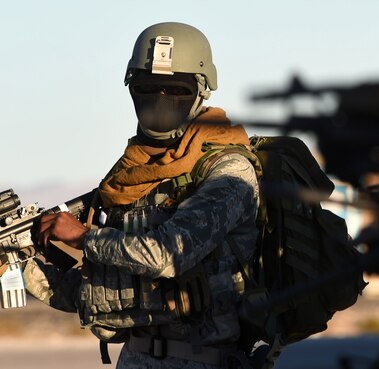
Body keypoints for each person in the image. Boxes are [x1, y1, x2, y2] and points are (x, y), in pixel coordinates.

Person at [22, 22, 260, 369]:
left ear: (200, 91)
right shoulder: (130, 178)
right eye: (148, 89)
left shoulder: (228, 172)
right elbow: (90, 291)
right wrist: (21, 267)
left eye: (175, 89)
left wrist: (83, 237)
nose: (161, 100)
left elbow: (168, 254)